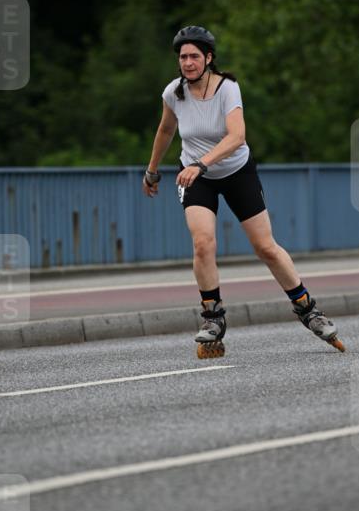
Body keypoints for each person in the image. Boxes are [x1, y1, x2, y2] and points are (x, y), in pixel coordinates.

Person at [142, 25, 344, 355]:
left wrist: (202, 163)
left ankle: (309, 310)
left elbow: (236, 136)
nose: (188, 63)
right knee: (203, 243)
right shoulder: (174, 93)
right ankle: (213, 318)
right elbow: (165, 130)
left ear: (208, 58)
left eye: (194, 56)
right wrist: (152, 171)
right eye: (183, 57)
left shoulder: (227, 88)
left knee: (265, 247)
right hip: (196, 177)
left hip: (236, 172)